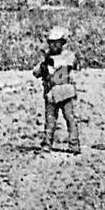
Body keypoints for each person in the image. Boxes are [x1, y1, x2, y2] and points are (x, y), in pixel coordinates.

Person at [33, 26, 81, 154]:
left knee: (70, 118)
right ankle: (47, 144)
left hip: (65, 91)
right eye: (51, 43)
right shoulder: (47, 58)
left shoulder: (68, 56)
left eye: (56, 42)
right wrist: (43, 65)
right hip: (51, 92)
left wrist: (50, 62)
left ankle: (74, 145)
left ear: (62, 43)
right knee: (50, 120)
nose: (54, 45)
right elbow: (36, 72)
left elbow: (65, 67)